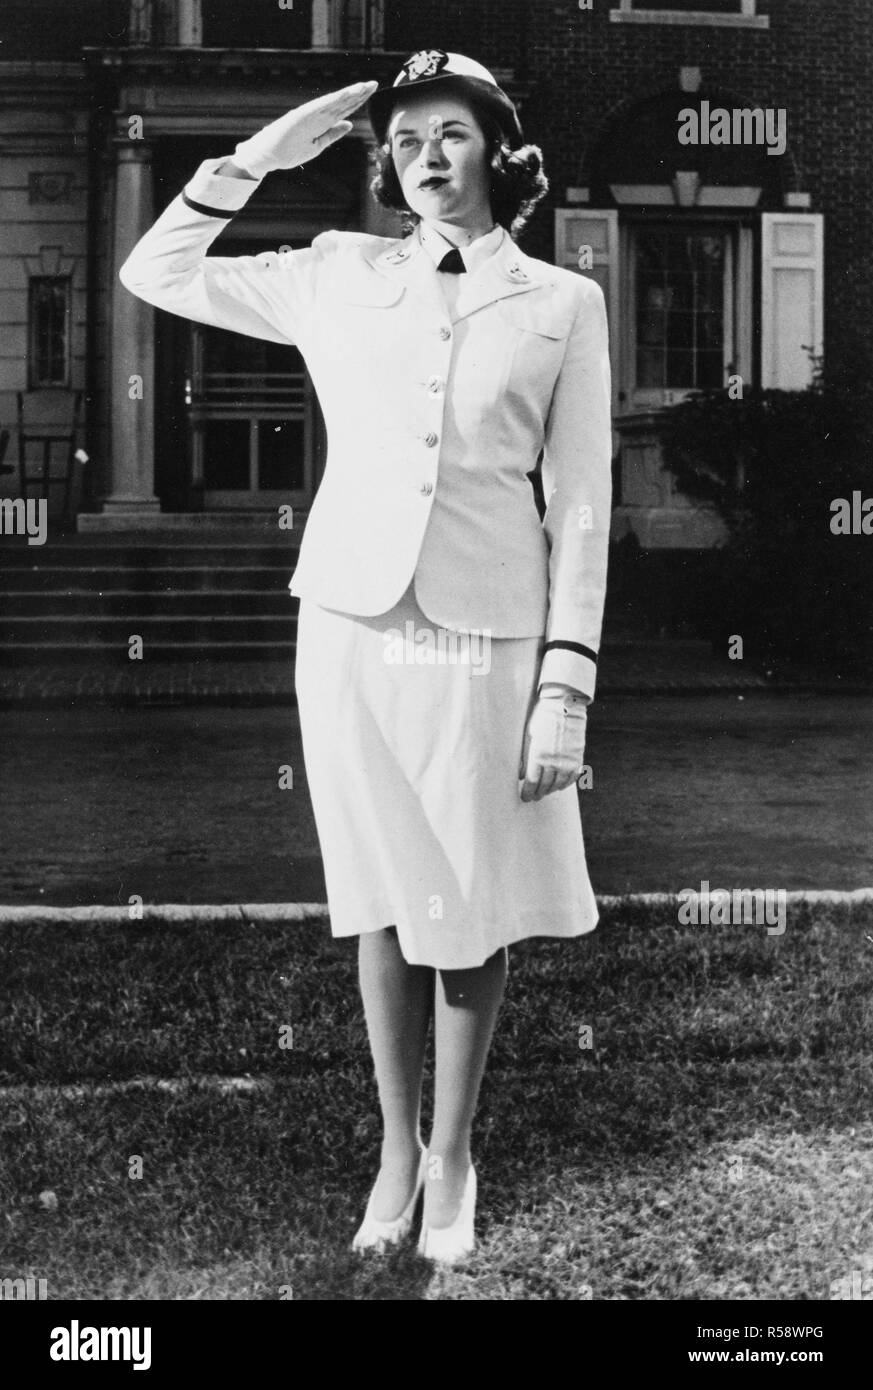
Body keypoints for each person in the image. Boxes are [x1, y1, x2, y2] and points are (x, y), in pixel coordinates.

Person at [118, 50, 612, 1267]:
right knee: (382, 896)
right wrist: (265, 152)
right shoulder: (336, 274)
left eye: (450, 133)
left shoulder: (562, 304)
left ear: (496, 149)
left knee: (472, 894)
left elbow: (583, 506)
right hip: (346, 624)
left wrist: (568, 678)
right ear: (385, 167)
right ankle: (396, 1147)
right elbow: (153, 268)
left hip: (483, 632)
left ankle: (454, 1157)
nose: (425, 156)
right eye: (403, 141)